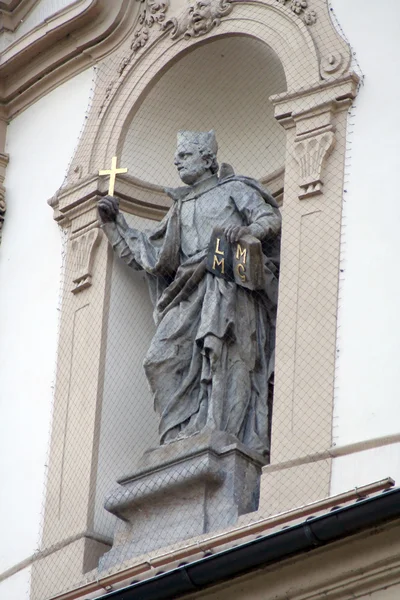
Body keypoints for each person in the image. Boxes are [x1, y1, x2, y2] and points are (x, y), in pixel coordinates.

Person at [98, 130, 281, 456]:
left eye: (184, 154)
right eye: (177, 155)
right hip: (186, 292)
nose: (176, 160)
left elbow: (269, 217)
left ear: (207, 159)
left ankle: (218, 430)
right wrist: (115, 225)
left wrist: (248, 230)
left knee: (222, 355)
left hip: (227, 283)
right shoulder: (179, 208)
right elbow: (148, 257)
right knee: (160, 359)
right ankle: (178, 438)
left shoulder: (234, 189)